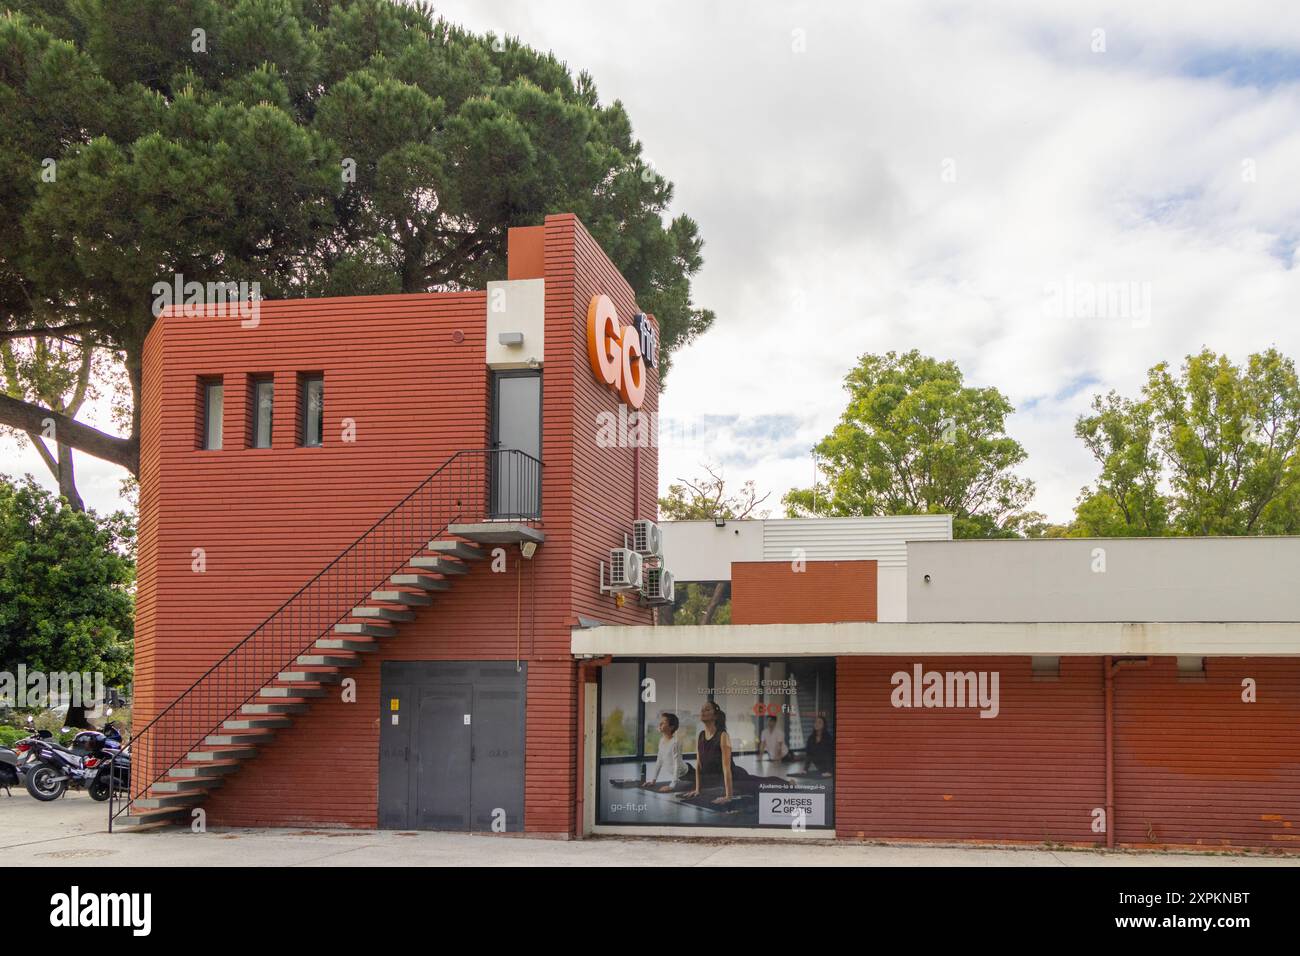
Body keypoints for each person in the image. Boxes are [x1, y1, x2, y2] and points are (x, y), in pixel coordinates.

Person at [683, 701, 789, 805]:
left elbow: (726, 768)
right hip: (719, 779)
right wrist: (697, 789)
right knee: (758, 781)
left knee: (762, 785)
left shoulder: (723, 736)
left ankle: (788, 783)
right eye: (702, 709)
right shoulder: (701, 735)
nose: (702, 711)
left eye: (707, 709)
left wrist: (728, 796)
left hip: (736, 776)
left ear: (715, 716)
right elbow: (698, 765)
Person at [642, 712, 693, 792]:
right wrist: (653, 780)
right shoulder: (661, 740)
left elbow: (677, 765)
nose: (660, 723)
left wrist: (671, 786)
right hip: (679, 775)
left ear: (671, 727)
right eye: (660, 721)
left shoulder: (675, 742)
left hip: (688, 773)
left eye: (664, 722)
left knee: (709, 783)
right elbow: (659, 761)